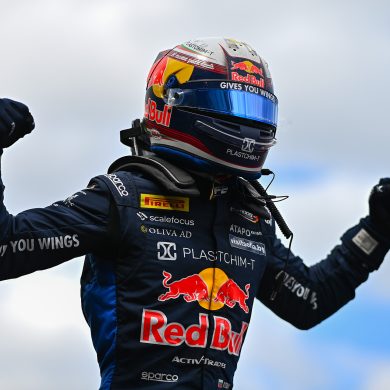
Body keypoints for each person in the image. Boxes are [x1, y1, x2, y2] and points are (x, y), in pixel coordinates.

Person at [0, 37, 389, 390]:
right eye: (233, 106)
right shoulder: (121, 197)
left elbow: (309, 301)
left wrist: (377, 228)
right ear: (173, 103)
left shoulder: (248, 215)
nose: (248, 123)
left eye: (257, 110)